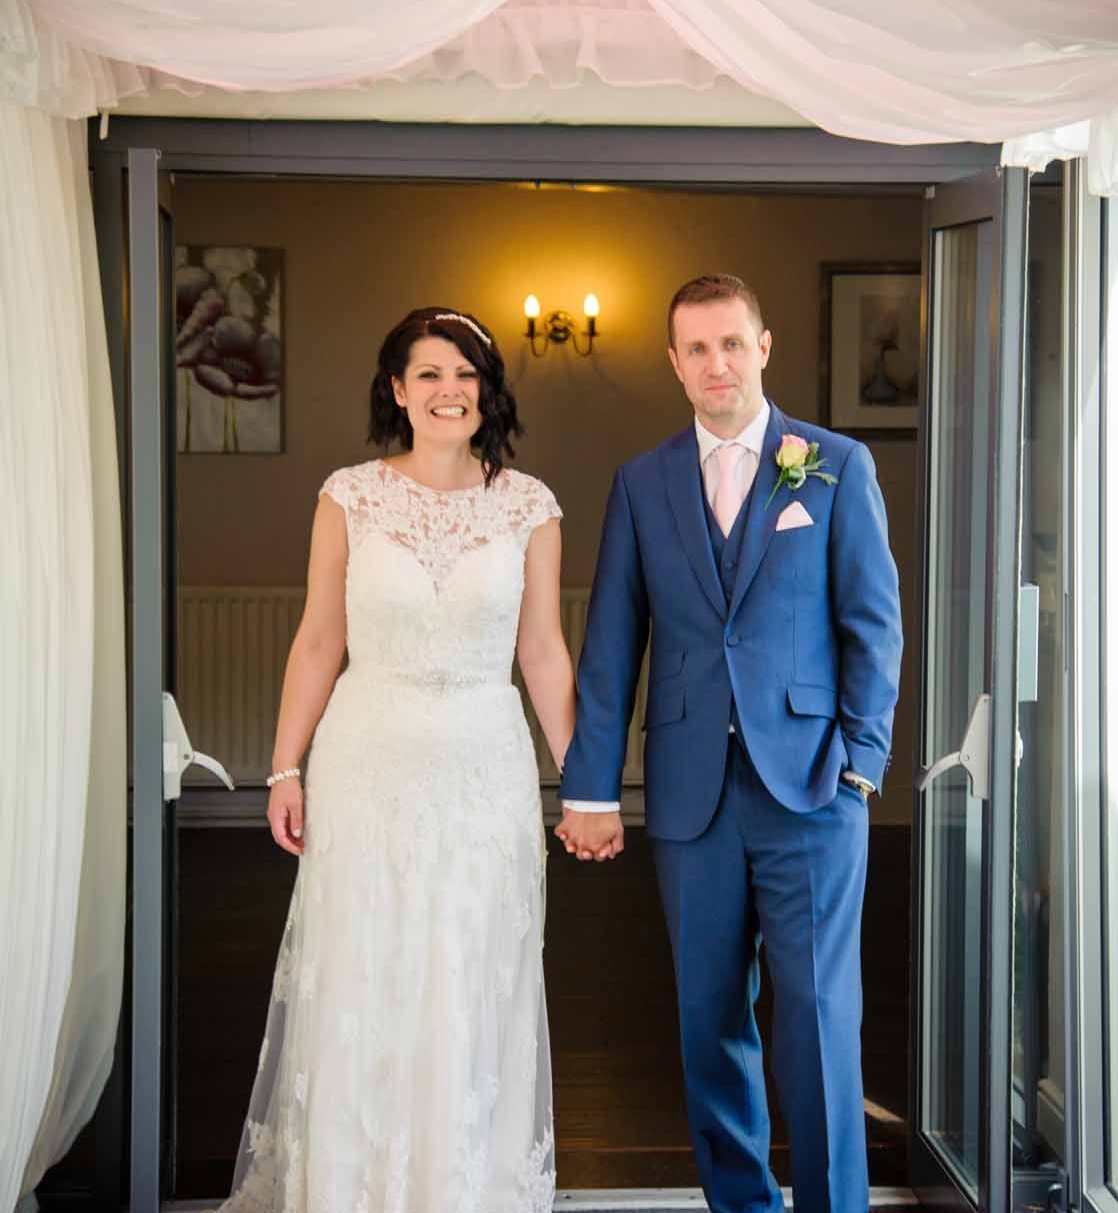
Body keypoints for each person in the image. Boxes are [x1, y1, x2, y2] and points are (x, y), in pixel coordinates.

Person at [555, 275, 902, 1213]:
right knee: (708, 1018)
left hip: (813, 789)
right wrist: (590, 786)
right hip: (690, 793)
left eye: (732, 344)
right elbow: (611, 644)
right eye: (698, 348)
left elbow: (873, 624)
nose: (718, 363)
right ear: (675, 363)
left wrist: (862, 765)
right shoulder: (641, 483)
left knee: (819, 1017)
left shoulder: (833, 465)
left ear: (763, 347)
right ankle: (742, 1203)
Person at [219, 308, 571, 1213]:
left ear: (487, 391)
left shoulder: (529, 505)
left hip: (483, 770)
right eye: (428, 373)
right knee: (364, 971)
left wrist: (585, 784)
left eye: (465, 373)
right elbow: (317, 638)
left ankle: (458, 1186)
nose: (449, 390)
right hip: (367, 763)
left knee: (467, 971)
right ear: (397, 390)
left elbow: (541, 651)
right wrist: (285, 767)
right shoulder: (349, 496)